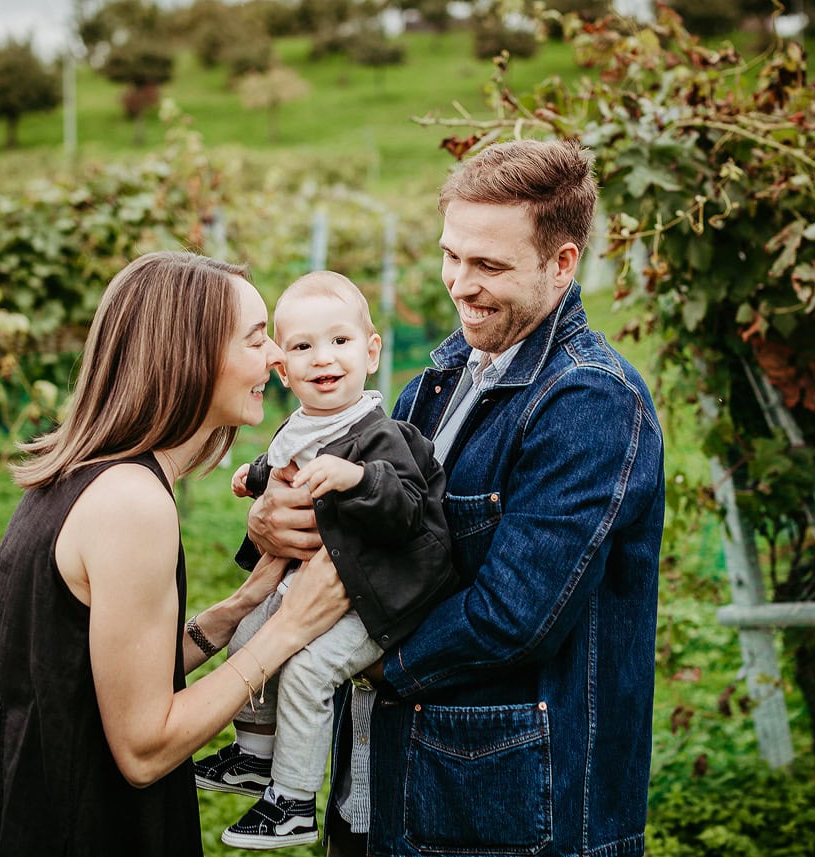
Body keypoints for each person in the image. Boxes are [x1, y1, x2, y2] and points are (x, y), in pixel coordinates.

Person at [245, 139, 666, 857]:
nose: (459, 284)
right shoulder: (436, 382)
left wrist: (360, 657)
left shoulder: (590, 400)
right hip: (384, 785)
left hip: (508, 809)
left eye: (488, 266)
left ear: (562, 264)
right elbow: (386, 529)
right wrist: (273, 519)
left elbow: (513, 616)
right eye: (452, 256)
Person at [0, 251, 352, 857]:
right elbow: (143, 750)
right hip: (54, 819)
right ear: (188, 359)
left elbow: (86, 671)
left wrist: (241, 607)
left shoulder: (91, 472)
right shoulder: (131, 505)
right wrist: (288, 630)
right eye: (254, 340)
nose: (277, 356)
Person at [193, 271, 458, 850]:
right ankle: (255, 755)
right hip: (318, 589)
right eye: (303, 347)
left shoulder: (383, 435)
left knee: (308, 671)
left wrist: (357, 479)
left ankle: (292, 800)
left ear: (370, 350)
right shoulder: (302, 424)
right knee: (247, 636)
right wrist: (253, 477)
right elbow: (284, 462)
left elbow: (408, 510)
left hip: (374, 603)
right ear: (283, 370)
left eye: (339, 341)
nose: (323, 359)